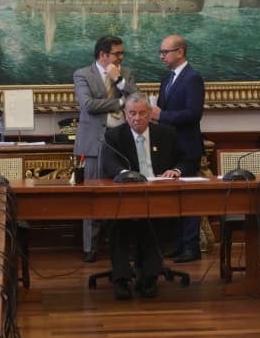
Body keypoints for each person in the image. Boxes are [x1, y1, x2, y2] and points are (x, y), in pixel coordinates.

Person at [101, 94, 183, 300]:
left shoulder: (167, 133)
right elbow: (109, 164)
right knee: (118, 226)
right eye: (132, 113)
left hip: (158, 196)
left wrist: (176, 170)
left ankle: (149, 278)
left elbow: (185, 159)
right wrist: (124, 175)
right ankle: (121, 280)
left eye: (142, 113)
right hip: (125, 197)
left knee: (154, 224)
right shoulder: (114, 136)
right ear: (125, 115)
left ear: (150, 114)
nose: (137, 118)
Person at [74, 35, 139, 263]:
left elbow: (137, 99)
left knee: (123, 196)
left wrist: (119, 80)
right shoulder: (83, 74)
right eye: (117, 54)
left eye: (122, 53)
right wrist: (121, 102)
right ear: (103, 55)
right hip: (94, 143)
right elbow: (89, 105)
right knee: (92, 197)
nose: (121, 57)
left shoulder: (125, 74)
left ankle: (121, 247)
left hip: (122, 144)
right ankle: (90, 248)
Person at [150, 34, 205, 262]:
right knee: (175, 199)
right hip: (169, 147)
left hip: (188, 147)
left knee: (190, 199)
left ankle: (192, 247)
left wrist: (163, 115)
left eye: (165, 52)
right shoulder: (167, 78)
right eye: (161, 52)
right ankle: (181, 244)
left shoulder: (192, 78)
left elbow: (194, 114)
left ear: (180, 52)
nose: (161, 56)